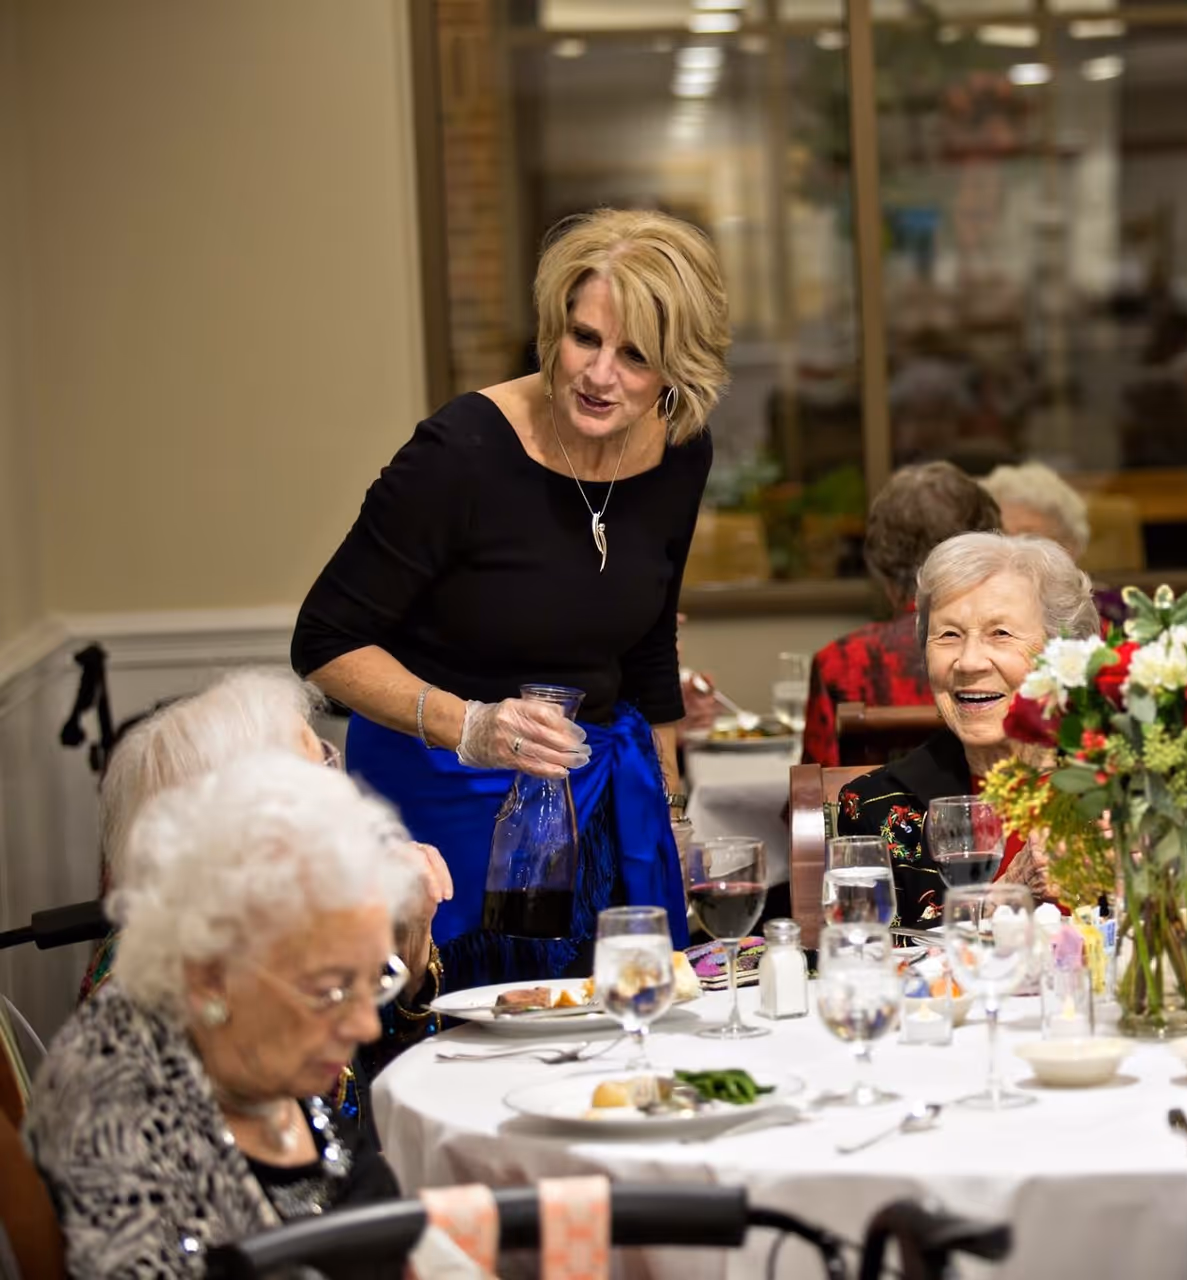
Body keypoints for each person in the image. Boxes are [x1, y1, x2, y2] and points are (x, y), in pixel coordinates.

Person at [293, 208, 729, 985]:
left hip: (593, 797)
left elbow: (647, 641)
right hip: (444, 804)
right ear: (551, 326)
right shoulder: (459, 454)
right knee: (467, 1035)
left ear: (678, 368)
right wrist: (474, 726)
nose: (600, 375)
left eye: (636, 355)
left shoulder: (679, 448)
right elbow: (322, 641)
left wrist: (671, 810)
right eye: (584, 338)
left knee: (614, 1035)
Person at [27, 755, 421, 1279]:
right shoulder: (120, 1115)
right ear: (212, 976)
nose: (366, 1026)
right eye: (331, 989)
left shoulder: (249, 1062)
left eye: (376, 978)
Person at [81, 669, 451, 1017]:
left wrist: (411, 936)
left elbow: (377, 1051)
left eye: (326, 759)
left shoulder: (287, 909)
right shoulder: (166, 986)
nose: (341, 790)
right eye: (314, 774)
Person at [835, 532, 1097, 928]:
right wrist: (1004, 895)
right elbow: (859, 956)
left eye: (1000, 634)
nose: (969, 661)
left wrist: (1144, 888)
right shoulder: (877, 806)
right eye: (949, 635)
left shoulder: (1126, 787)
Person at [800, 462, 1001, 767]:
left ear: (884, 566)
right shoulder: (1029, 645)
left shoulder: (844, 662)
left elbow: (814, 795)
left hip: (879, 814)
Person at [979, 461, 1125, 628]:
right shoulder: (967, 612)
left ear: (1070, 546)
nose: (1010, 549)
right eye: (1000, 534)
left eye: (1028, 537)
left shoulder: (1110, 614)